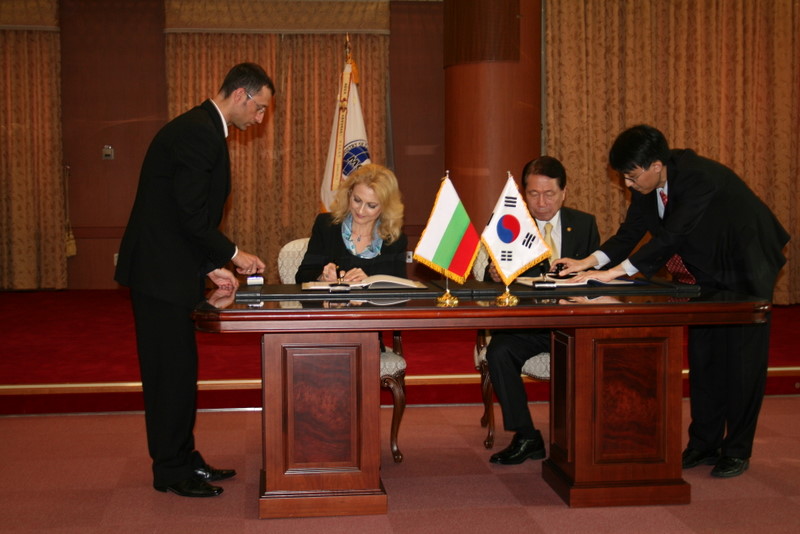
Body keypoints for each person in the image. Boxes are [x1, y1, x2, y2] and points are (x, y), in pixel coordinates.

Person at [557, 124, 789, 478]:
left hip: (746, 263)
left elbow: (671, 236)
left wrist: (619, 273)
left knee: (741, 360)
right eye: (623, 177)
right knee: (704, 353)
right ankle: (703, 442)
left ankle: (737, 449)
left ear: (656, 165)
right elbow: (630, 233)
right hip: (706, 267)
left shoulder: (698, 178)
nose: (628, 185)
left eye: (632, 177)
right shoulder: (646, 185)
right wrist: (589, 263)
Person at [115, 63, 275, 497]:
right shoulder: (198, 133)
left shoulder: (202, 128)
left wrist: (209, 268)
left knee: (181, 371)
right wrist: (234, 255)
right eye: (260, 109)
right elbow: (188, 216)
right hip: (158, 275)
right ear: (241, 95)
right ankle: (170, 469)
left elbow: (178, 215)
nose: (260, 119)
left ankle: (183, 457)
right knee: (169, 374)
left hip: (169, 269)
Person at [484, 156, 600, 464]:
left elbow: (597, 281)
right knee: (499, 351)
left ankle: (592, 433)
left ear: (564, 192)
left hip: (574, 322)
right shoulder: (508, 223)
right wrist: (494, 274)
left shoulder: (585, 223)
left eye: (549, 194)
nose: (541, 202)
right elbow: (487, 280)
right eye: (533, 194)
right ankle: (526, 436)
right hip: (529, 324)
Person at [296, 163, 407, 284]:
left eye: (371, 206)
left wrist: (370, 282)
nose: (360, 210)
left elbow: (400, 287)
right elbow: (302, 276)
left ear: (385, 207)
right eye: (357, 200)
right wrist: (322, 277)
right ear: (349, 194)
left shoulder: (395, 240)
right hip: (333, 303)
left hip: (372, 303)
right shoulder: (326, 226)